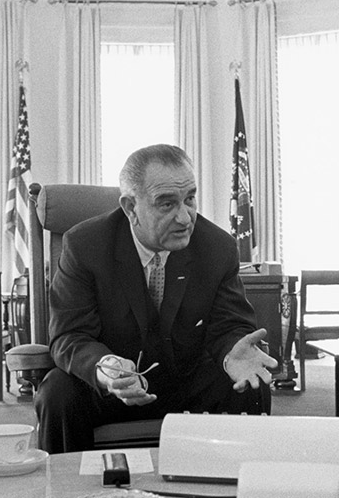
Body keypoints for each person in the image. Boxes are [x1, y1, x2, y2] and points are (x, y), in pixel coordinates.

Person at [34, 144, 277, 453]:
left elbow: (228, 327)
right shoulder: (85, 245)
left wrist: (233, 354)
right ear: (130, 208)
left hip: (185, 382)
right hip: (112, 388)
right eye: (166, 204)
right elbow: (69, 335)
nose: (185, 217)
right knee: (57, 392)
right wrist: (106, 368)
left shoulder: (217, 247)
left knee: (249, 383)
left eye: (190, 199)